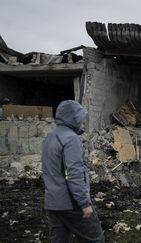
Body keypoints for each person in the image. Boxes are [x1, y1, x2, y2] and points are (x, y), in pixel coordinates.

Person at [42, 100, 104, 243]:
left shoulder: (50, 137)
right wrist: (84, 203)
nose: (82, 121)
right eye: (80, 117)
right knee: (95, 239)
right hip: (71, 203)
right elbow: (74, 173)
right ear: (73, 118)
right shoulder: (71, 139)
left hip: (52, 203)